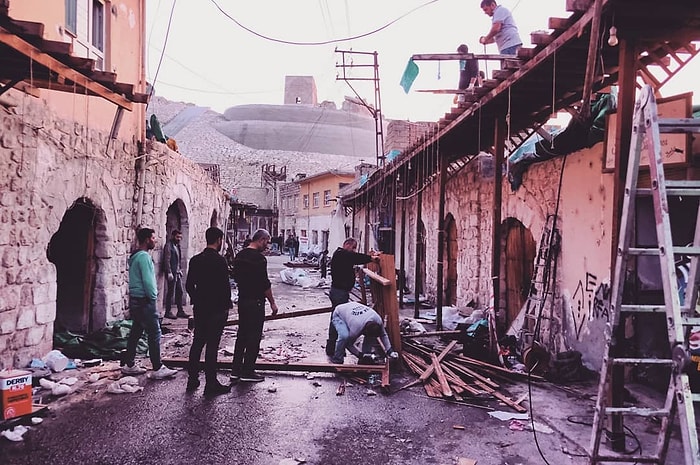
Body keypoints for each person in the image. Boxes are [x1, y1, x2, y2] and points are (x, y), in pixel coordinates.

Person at [121, 227, 178, 379]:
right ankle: (157, 367)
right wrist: (153, 297)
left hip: (136, 299)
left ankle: (129, 364)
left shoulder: (134, 256)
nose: (155, 240)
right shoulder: (144, 257)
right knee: (154, 333)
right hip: (145, 301)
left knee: (136, 331)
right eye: (153, 238)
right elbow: (148, 281)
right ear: (147, 240)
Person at [185, 227, 232, 396]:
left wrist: (197, 300)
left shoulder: (195, 260)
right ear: (219, 240)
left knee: (197, 343)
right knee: (212, 346)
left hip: (201, 309)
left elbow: (189, 285)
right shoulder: (220, 261)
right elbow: (226, 288)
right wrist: (227, 306)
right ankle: (210, 384)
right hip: (217, 309)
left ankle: (192, 379)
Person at [230, 229, 279, 382]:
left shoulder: (240, 255)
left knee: (242, 335)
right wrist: (272, 303)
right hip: (256, 302)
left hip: (243, 300)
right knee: (254, 337)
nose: (267, 245)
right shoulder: (259, 259)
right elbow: (264, 284)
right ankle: (248, 372)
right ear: (262, 239)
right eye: (267, 242)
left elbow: (235, 276)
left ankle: (235, 371)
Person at [325, 238, 379, 356]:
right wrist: (371, 258)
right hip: (339, 292)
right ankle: (335, 348)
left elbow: (353, 258)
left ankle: (333, 347)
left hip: (340, 292)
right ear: (347, 245)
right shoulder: (341, 254)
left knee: (336, 318)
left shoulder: (343, 255)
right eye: (353, 247)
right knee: (337, 320)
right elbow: (354, 257)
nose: (354, 251)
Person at [330, 301, 399, 365]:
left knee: (371, 337)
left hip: (351, 308)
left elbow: (383, 335)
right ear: (364, 331)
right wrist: (360, 355)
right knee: (344, 336)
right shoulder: (356, 328)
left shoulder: (378, 320)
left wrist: (390, 351)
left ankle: (366, 357)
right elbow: (348, 344)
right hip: (339, 313)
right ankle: (337, 359)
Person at [162, 229, 188, 319]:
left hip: (177, 273)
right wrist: (169, 272)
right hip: (172, 273)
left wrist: (179, 269)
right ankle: (168, 311)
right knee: (170, 292)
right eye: (177, 237)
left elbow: (178, 260)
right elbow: (167, 259)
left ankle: (180, 311)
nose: (179, 239)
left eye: (180, 237)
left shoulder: (178, 246)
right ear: (173, 236)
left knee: (180, 291)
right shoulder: (169, 246)